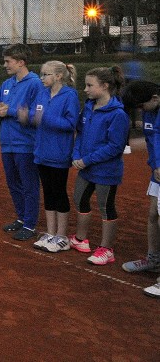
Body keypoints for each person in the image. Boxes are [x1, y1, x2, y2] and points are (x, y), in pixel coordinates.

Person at [70, 66, 130, 266]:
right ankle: (81, 239)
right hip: (86, 168)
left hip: (106, 171)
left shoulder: (118, 114)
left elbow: (115, 147)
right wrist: (77, 154)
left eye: (89, 85)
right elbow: (79, 132)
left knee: (106, 207)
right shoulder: (88, 107)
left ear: (104, 86)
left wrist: (87, 159)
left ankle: (107, 249)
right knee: (79, 199)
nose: (85, 89)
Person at [22, 61, 80, 252]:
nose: (42, 78)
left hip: (59, 153)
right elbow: (36, 116)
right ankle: (50, 232)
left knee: (59, 193)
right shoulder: (42, 93)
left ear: (58, 76)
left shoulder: (69, 96)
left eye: (46, 74)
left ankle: (62, 236)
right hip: (41, 152)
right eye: (41, 74)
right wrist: (27, 117)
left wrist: (44, 117)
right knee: (47, 192)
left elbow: (71, 124)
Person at [0, 43, 44, 241]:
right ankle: (22, 217)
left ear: (21, 62)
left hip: (26, 143)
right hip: (7, 142)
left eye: (9, 61)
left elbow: (37, 114)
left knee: (29, 184)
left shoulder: (35, 84)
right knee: (13, 183)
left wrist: (12, 112)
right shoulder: (7, 84)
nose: (5, 65)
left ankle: (31, 224)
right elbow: (0, 107)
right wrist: (0, 111)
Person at [120, 81, 160, 296]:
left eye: (141, 106)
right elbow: (153, 142)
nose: (140, 111)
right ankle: (153, 261)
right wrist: (155, 165)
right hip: (157, 172)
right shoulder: (150, 112)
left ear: (154, 98)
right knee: (153, 215)